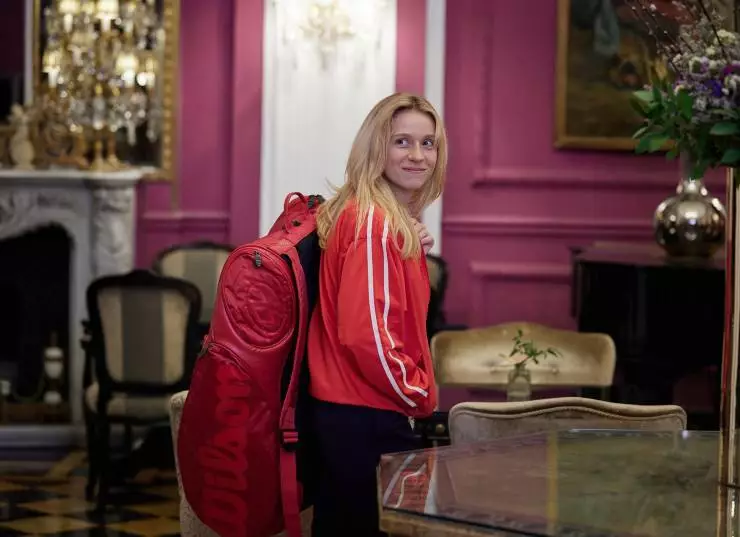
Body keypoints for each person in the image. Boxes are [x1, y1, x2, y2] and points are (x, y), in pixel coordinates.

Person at [306, 92, 447, 537]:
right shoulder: (374, 223)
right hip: (366, 414)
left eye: (428, 143)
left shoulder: (376, 218)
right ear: (376, 147)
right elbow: (366, 334)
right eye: (402, 141)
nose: (418, 155)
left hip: (349, 411)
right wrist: (417, 392)